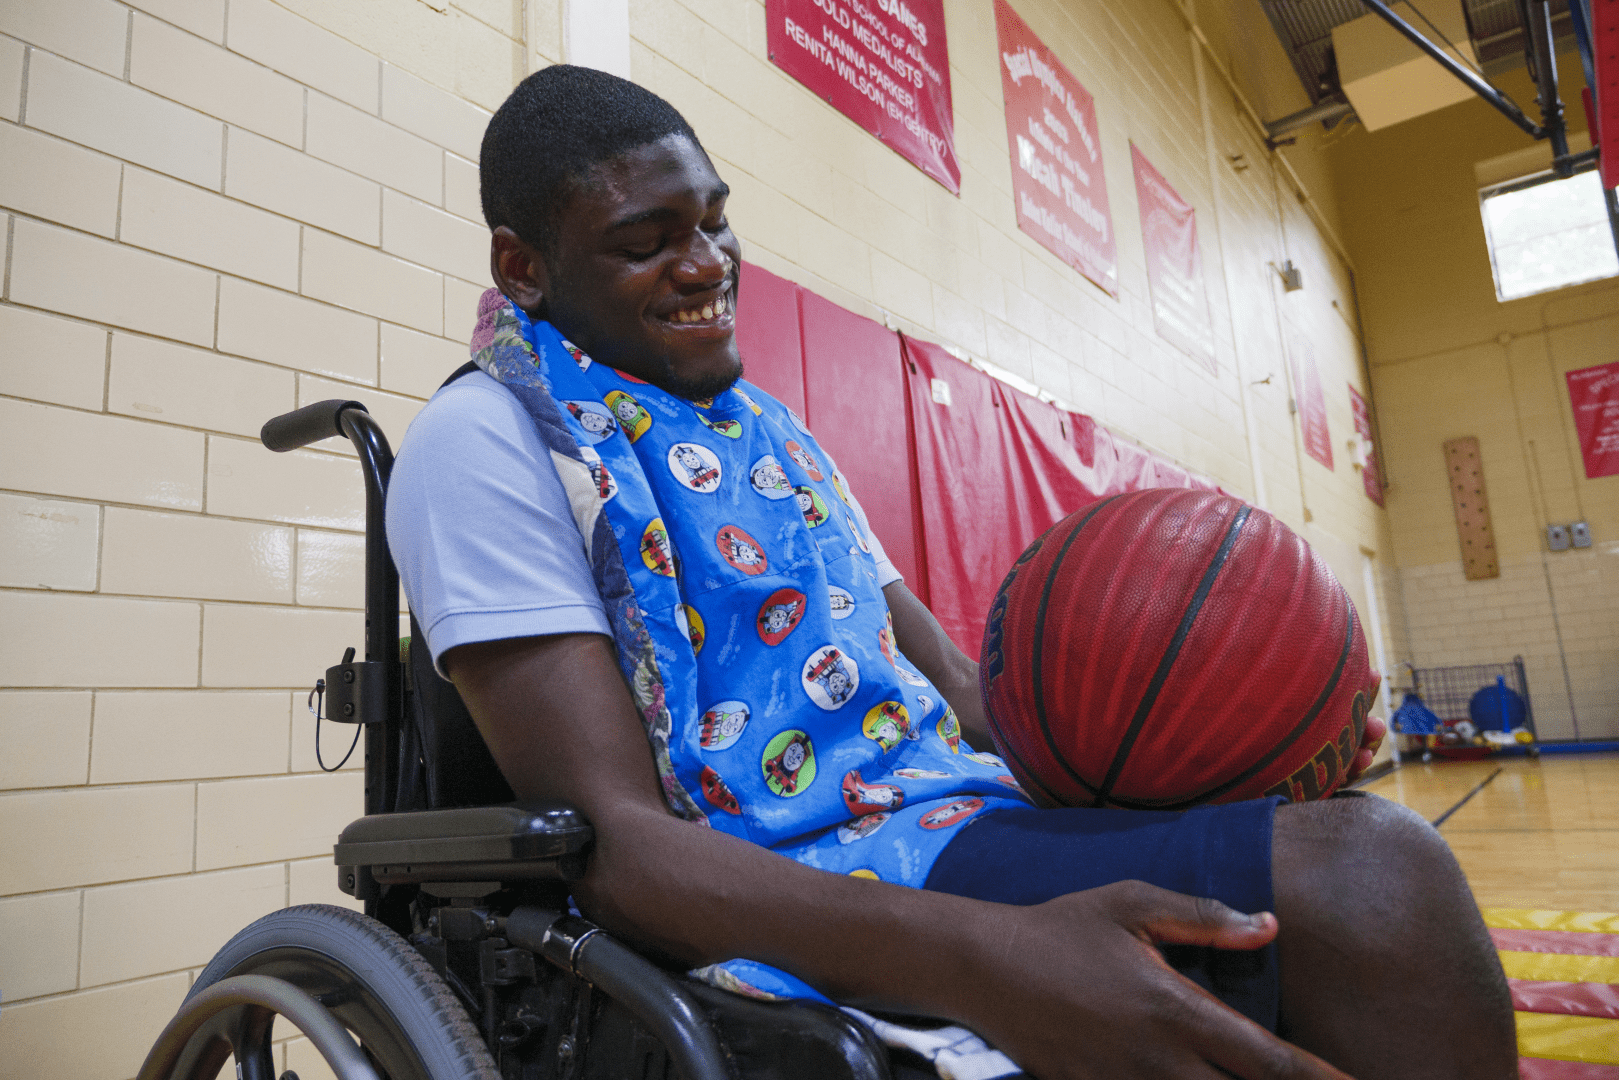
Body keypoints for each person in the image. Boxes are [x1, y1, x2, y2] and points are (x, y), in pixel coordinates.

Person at [386, 65, 1517, 1080]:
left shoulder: (771, 433)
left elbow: (965, 700)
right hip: (794, 878)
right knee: (1378, 884)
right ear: (520, 267)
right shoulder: (484, 440)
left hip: (944, 823)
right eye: (647, 240)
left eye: (717, 224)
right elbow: (616, 849)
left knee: (1350, 853)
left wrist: (1212, 759)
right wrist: (989, 957)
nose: (704, 265)